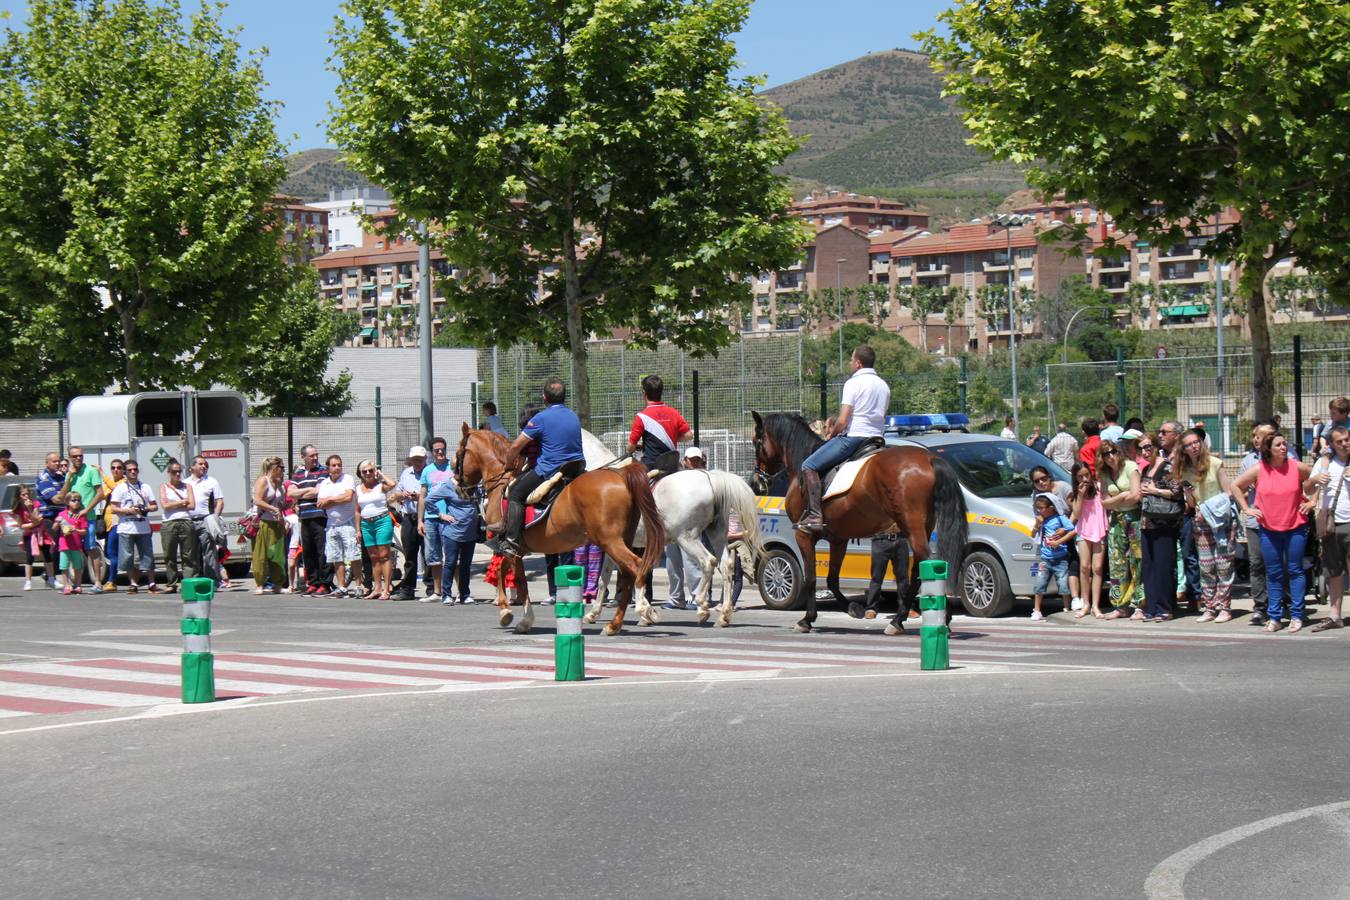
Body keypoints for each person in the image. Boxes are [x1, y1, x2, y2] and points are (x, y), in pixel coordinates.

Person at [798, 345, 890, 534]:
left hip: (854, 438)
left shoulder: (853, 383)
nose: (849, 363)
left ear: (857, 363)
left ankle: (815, 514)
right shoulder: (883, 385)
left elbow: (843, 419)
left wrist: (832, 434)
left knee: (809, 465)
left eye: (850, 360)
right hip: (877, 439)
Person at [1231, 432, 1315, 633]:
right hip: (1268, 528)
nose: (1284, 447)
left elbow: (1315, 478)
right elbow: (1235, 485)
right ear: (1269, 449)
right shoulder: (1260, 469)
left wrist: (1313, 501)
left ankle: (1296, 615)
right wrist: (1246, 508)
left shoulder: (1295, 466)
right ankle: (1275, 616)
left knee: (1294, 570)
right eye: (1279, 445)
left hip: (1295, 527)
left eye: (1285, 444)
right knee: (1274, 572)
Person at [496, 378, 587, 556]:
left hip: (550, 469)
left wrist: (508, 465)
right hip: (576, 467)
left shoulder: (541, 418)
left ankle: (511, 541)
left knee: (515, 493)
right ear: (564, 397)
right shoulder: (573, 415)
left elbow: (516, 446)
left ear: (544, 397)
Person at [1176, 429, 1237, 623]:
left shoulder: (1215, 464)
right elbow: (1192, 504)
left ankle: (1224, 607)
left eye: (1196, 442)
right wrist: (1187, 492)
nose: (1193, 447)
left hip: (1221, 522)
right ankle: (1210, 607)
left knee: (1223, 564)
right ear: (1183, 449)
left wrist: (1208, 508)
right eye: (1188, 445)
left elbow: (1229, 493)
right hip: (1200, 523)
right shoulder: (1184, 471)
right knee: (1206, 566)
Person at [1137, 434, 1182, 622]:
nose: (1145, 452)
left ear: (1156, 446)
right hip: (1148, 522)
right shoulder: (1146, 468)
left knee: (1164, 565)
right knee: (1149, 566)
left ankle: (1165, 607)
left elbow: (1177, 492)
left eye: (1148, 447)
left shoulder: (1167, 467)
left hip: (1165, 522)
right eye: (1141, 449)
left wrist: (1155, 490)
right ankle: (1152, 606)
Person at [1237, 422, 1278, 626]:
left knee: (1278, 563)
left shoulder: (1285, 457)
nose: (1256, 439)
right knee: (1256, 563)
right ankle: (1260, 607)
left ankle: (1279, 604)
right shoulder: (1248, 460)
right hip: (1256, 519)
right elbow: (1238, 488)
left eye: (1260, 435)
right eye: (1254, 435)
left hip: (1279, 519)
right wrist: (1246, 507)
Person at [1309, 426, 1350, 631]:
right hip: (1330, 524)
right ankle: (1335, 616)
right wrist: (1316, 479)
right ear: (1332, 445)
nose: (1345, 444)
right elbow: (1307, 488)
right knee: (1334, 572)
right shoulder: (1324, 463)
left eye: (1347, 439)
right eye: (1340, 441)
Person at [1098, 439, 1143, 619]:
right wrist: (1123, 495)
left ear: (1118, 452)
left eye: (1113, 452)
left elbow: (1136, 496)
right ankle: (1120, 604)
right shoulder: (1104, 474)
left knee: (1137, 562)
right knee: (1117, 564)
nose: (1111, 457)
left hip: (1134, 518)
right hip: (1116, 520)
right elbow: (1104, 502)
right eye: (1106, 454)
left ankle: (1140, 603)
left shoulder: (1131, 467)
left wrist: (1116, 499)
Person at [54, 447, 107, 593]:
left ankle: (97, 582)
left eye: (80, 456)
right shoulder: (70, 474)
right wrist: (69, 477)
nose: (78, 458)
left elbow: (100, 494)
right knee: (70, 550)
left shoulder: (91, 471)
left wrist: (86, 510)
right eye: (75, 456)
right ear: (70, 458)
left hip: (87, 518)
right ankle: (71, 584)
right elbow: (62, 495)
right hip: (70, 520)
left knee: (91, 548)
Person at [109, 460, 159, 593]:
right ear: (125, 472)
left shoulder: (145, 487)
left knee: (147, 555)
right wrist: (128, 510)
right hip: (126, 527)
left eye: (135, 469)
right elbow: (113, 508)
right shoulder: (120, 488)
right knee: (127, 556)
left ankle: (152, 583)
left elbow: (155, 506)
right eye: (130, 470)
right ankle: (133, 583)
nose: (133, 472)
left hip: (143, 527)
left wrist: (145, 509)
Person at [417, 437, 457, 603]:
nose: (440, 452)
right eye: (436, 450)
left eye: (442, 449)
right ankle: (437, 591)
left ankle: (461, 591)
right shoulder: (427, 470)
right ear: (431, 452)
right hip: (431, 519)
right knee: (434, 557)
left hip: (450, 517)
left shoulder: (453, 468)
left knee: (453, 556)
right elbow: (422, 496)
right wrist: (420, 520)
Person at [626, 373, 691, 475]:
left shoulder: (641, 417)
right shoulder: (674, 412)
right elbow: (688, 436)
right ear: (661, 392)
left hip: (651, 467)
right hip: (672, 465)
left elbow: (630, 448)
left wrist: (638, 446)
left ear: (644, 393)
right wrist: (671, 437)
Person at [291, 445, 334, 595]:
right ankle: (313, 582)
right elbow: (291, 492)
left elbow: (318, 490)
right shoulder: (298, 474)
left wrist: (299, 493)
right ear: (303, 457)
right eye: (312, 456)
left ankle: (325, 583)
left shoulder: (323, 471)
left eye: (316, 455)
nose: (315, 458)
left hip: (319, 516)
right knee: (308, 552)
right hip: (304, 516)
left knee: (322, 550)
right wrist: (304, 492)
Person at [316, 454, 360, 597]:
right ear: (328, 468)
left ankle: (358, 586)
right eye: (334, 465)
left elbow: (348, 497)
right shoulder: (324, 484)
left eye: (339, 465)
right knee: (336, 557)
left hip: (348, 523)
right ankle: (342, 587)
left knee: (353, 555)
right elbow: (320, 503)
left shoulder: (347, 479)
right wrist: (335, 500)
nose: (337, 468)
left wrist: (329, 500)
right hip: (331, 525)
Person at [354, 459, 398, 600]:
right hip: (366, 524)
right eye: (364, 471)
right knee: (373, 557)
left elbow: (392, 484)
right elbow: (357, 511)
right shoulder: (358, 489)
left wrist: (381, 474)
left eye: (371, 470)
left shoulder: (380, 486)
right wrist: (358, 530)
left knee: (384, 555)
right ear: (360, 474)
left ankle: (386, 588)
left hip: (382, 521)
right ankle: (377, 588)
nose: (368, 473)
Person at [390, 446, 428, 600]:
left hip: (426, 517)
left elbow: (434, 493)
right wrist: (403, 495)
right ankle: (408, 588)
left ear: (425, 460)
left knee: (428, 554)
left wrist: (420, 496)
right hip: (409, 517)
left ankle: (432, 588)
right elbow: (396, 494)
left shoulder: (429, 473)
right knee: (410, 555)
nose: (417, 462)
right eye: (415, 460)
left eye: (420, 459)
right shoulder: (406, 473)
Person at [1030, 494, 1076, 620]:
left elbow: (1072, 530)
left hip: (1060, 558)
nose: (1039, 511)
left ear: (1051, 508)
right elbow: (1033, 534)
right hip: (1045, 558)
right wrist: (1037, 524)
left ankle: (1066, 607)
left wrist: (1060, 540)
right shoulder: (1041, 521)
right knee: (1039, 584)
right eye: (1037, 508)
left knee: (1063, 584)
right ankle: (1037, 610)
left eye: (1041, 508)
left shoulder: (1060, 518)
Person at [1070, 461, 1106, 618]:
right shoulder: (1076, 492)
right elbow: (1076, 515)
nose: (1084, 479)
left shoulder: (1099, 486)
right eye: (1080, 476)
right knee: (1084, 567)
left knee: (1097, 568)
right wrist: (1080, 495)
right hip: (1083, 531)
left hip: (1100, 528)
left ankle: (1096, 606)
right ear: (1075, 478)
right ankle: (1086, 604)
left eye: (1086, 474)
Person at [186, 455, 226, 587]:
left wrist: (214, 518)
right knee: (191, 553)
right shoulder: (185, 483)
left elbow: (219, 501)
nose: (204, 466)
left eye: (205, 465)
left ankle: (212, 581)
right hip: (189, 521)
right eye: (200, 464)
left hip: (206, 520)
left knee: (209, 552)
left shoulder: (212, 481)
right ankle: (194, 581)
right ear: (192, 467)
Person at [249, 456, 288, 594]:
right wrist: (274, 509)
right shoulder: (263, 480)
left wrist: (284, 506)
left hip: (276, 523)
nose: (283, 471)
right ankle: (260, 584)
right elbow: (257, 501)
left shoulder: (279, 483)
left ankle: (277, 584)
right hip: (263, 521)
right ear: (275, 468)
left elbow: (281, 503)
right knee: (261, 554)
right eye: (282, 468)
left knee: (277, 554)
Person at [158, 459, 198, 589]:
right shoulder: (163, 487)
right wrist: (182, 502)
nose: (177, 474)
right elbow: (165, 506)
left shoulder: (187, 486)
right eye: (174, 472)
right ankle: (172, 583)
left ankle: (188, 583)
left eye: (179, 472)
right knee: (169, 555)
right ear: (169, 472)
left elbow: (192, 505)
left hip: (185, 521)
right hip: (169, 523)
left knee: (188, 555)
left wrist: (174, 504)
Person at [854, 531, 911, 621]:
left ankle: (905, 608)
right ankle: (871, 608)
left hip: (900, 539)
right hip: (880, 540)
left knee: (903, 577)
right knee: (876, 577)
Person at [12, 485, 51, 591]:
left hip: (41, 533)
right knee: (30, 558)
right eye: (23, 494)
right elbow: (22, 525)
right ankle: (28, 581)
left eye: (28, 494)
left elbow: (36, 518)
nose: (26, 496)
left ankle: (51, 578)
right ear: (19, 496)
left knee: (47, 554)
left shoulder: (35, 504)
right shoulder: (18, 510)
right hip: (29, 534)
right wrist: (32, 524)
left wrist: (30, 509)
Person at [55, 492, 89, 595]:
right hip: (64, 545)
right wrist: (57, 522)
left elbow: (84, 531)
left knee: (77, 566)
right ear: (67, 502)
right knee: (64, 566)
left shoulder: (81, 516)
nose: (76, 502)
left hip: (76, 545)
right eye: (73, 500)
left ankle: (78, 585)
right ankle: (67, 585)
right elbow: (54, 528)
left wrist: (76, 530)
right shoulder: (62, 514)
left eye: (78, 500)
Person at [99, 459, 124, 591]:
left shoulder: (123, 483)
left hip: (117, 522)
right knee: (109, 553)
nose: (116, 470)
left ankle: (112, 581)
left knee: (113, 552)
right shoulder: (110, 483)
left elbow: (116, 489)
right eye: (113, 468)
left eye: (119, 467)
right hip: (108, 524)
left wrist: (101, 473)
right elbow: (102, 495)